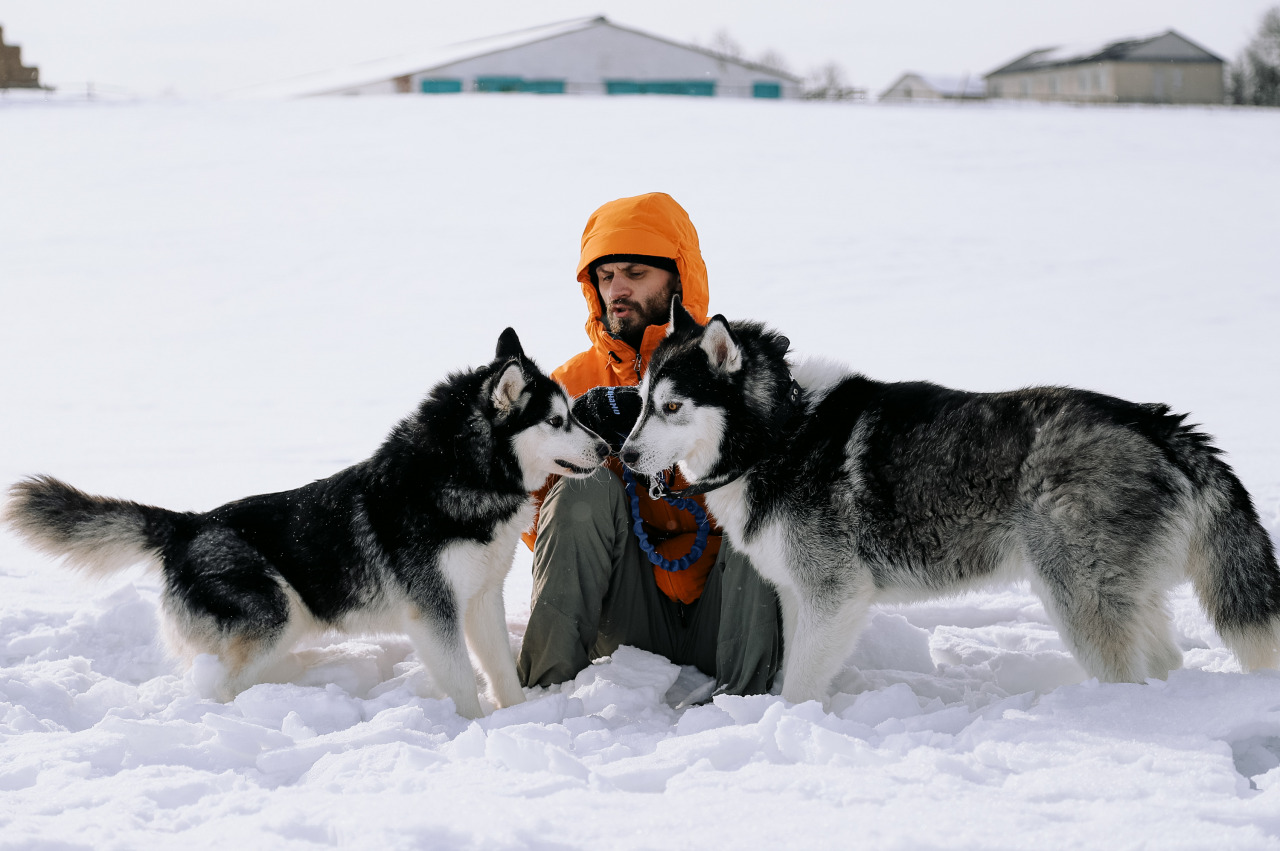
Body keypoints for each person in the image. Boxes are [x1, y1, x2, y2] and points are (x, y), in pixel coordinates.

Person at [516, 192, 782, 697]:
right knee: (579, 494)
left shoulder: (734, 371)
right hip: (622, 619)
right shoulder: (568, 386)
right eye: (606, 276)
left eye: (636, 274)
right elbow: (530, 517)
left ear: (678, 279)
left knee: (765, 509)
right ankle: (542, 698)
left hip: (729, 608)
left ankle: (753, 713)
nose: (617, 290)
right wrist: (598, 458)